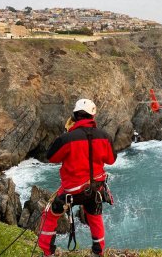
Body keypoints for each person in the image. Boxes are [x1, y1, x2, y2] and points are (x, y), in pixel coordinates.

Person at [38, 98, 117, 257]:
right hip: (96, 188)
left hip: (71, 191)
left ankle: (47, 252)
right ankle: (98, 252)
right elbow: (111, 159)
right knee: (95, 217)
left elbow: (51, 156)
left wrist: (66, 134)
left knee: (50, 215)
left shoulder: (67, 138)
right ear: (93, 117)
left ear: (74, 116)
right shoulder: (104, 136)